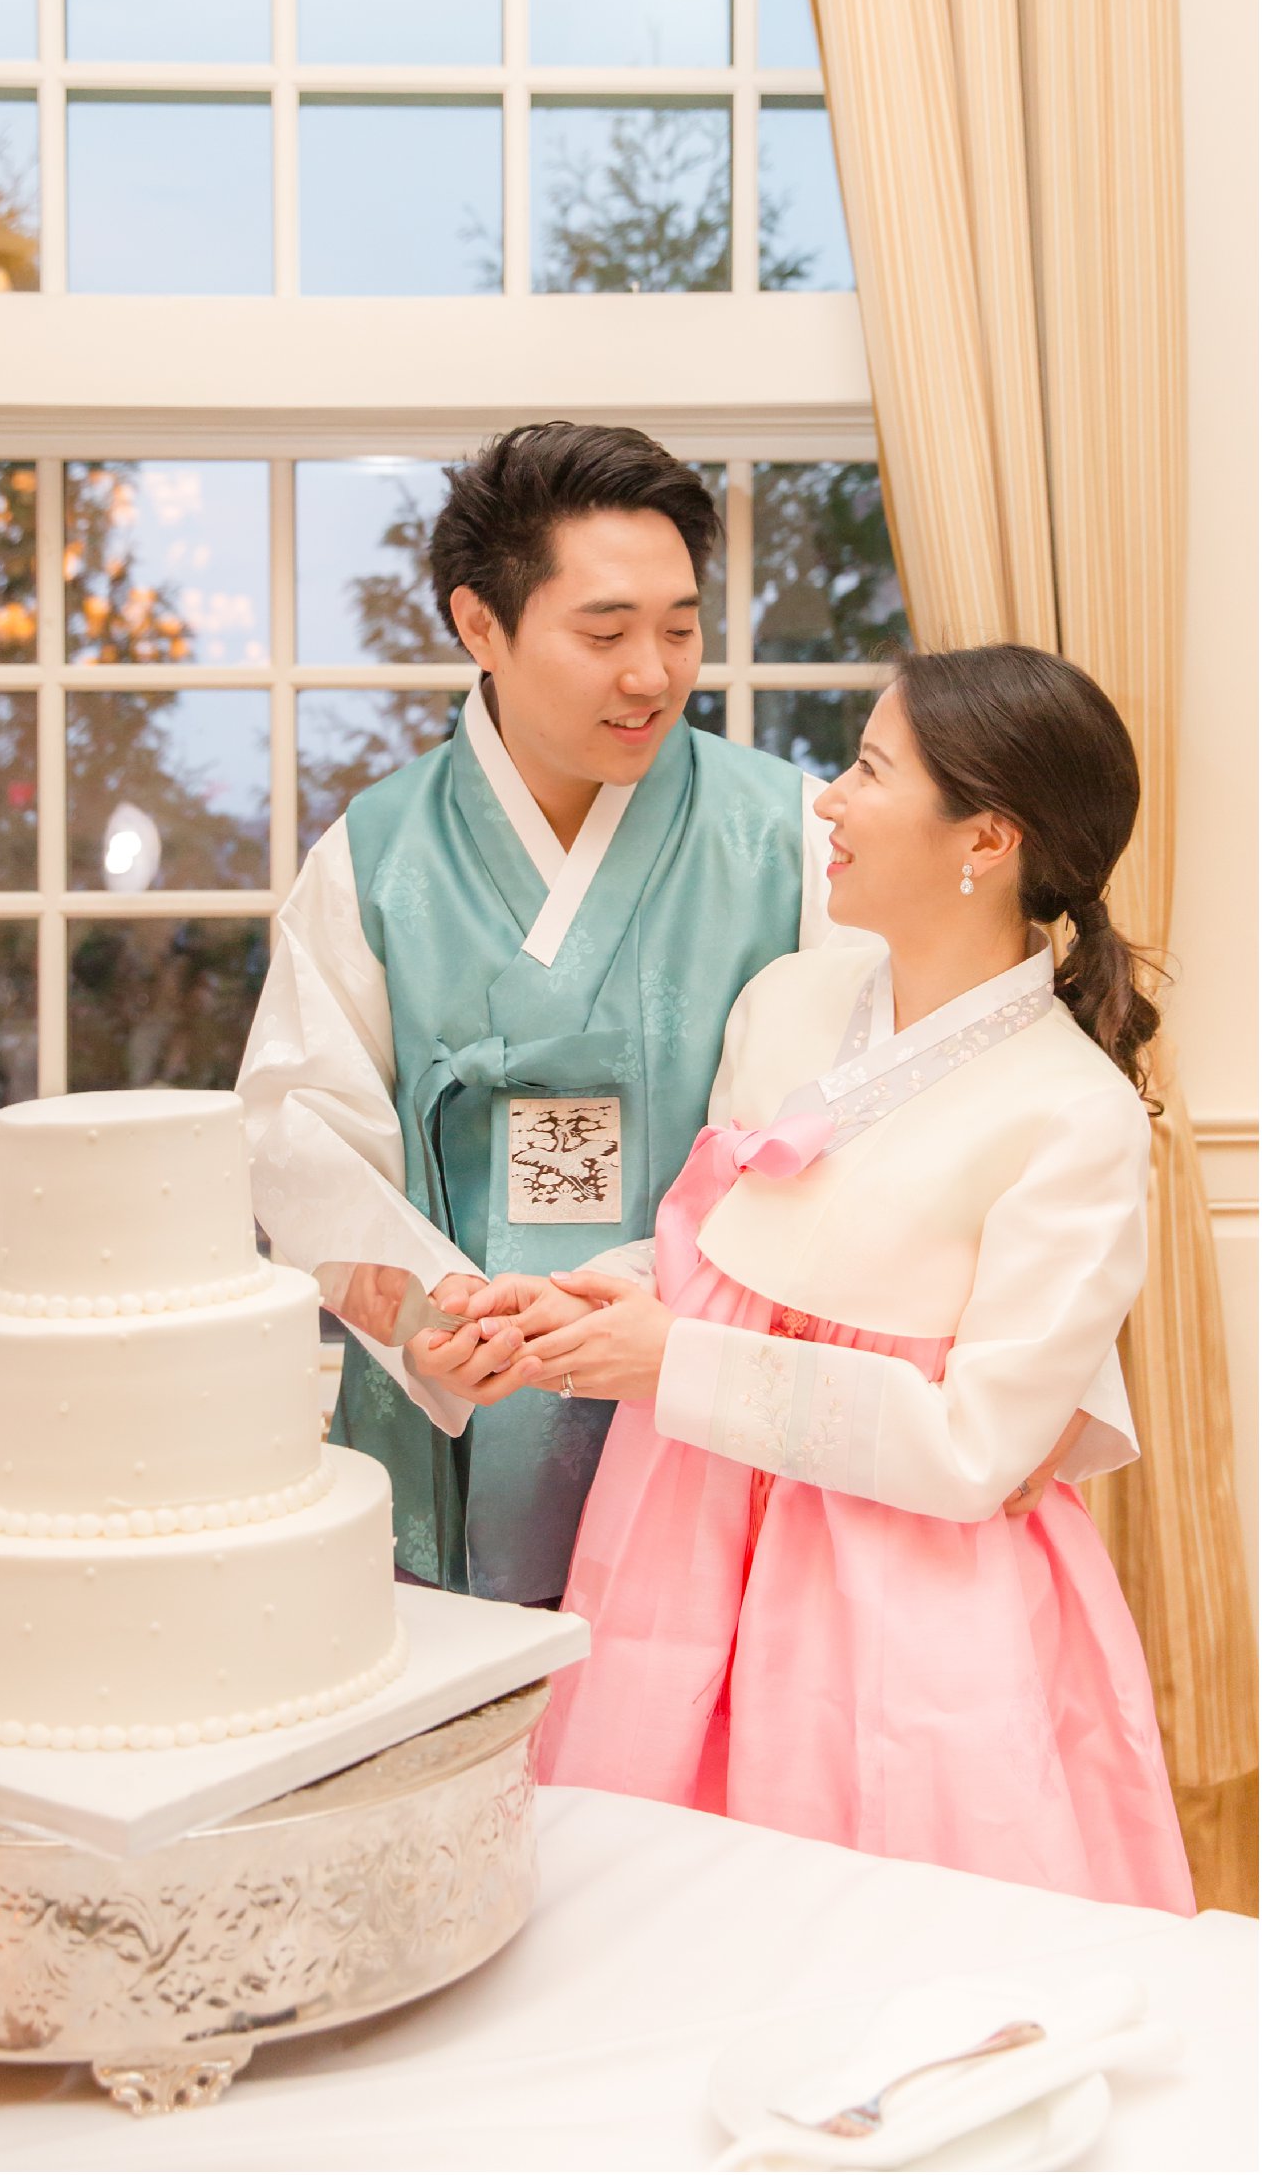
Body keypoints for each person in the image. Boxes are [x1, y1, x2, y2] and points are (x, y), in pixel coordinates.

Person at [484, 643, 1194, 1912]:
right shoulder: (787, 1001)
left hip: (903, 1602)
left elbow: (977, 1448)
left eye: (867, 769)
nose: (827, 799)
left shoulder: (1074, 1120)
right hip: (684, 1540)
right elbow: (714, 1249)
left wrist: (676, 1362)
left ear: (982, 838)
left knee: (878, 1952)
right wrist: (599, 1297)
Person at [239, 424, 834, 1604]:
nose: (653, 675)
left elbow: (834, 1131)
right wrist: (425, 1318)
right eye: (605, 633)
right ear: (479, 625)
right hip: (454, 1390)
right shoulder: (375, 855)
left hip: (695, 1379)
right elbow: (298, 1128)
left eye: (677, 629)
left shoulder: (793, 838)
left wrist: (634, 1299)